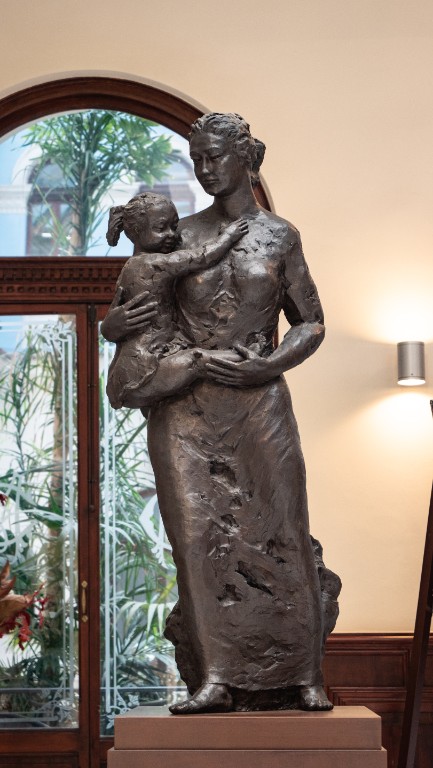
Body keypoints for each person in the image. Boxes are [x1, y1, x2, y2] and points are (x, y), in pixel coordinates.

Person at [101, 112, 340, 715]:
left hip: (259, 401)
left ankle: (304, 673)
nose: (205, 169)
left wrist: (270, 364)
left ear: (245, 158)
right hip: (185, 411)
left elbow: (310, 321)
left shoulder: (280, 236)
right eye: (197, 159)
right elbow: (132, 309)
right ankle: (215, 678)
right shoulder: (174, 236)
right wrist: (112, 325)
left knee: (284, 529)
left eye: (215, 156)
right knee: (197, 539)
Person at [102, 192, 248, 409]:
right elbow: (202, 257)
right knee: (197, 360)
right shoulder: (152, 264)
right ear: (136, 231)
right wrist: (228, 236)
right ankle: (246, 357)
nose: (171, 235)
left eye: (174, 226)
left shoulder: (129, 267)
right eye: (161, 228)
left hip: (141, 362)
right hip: (143, 368)